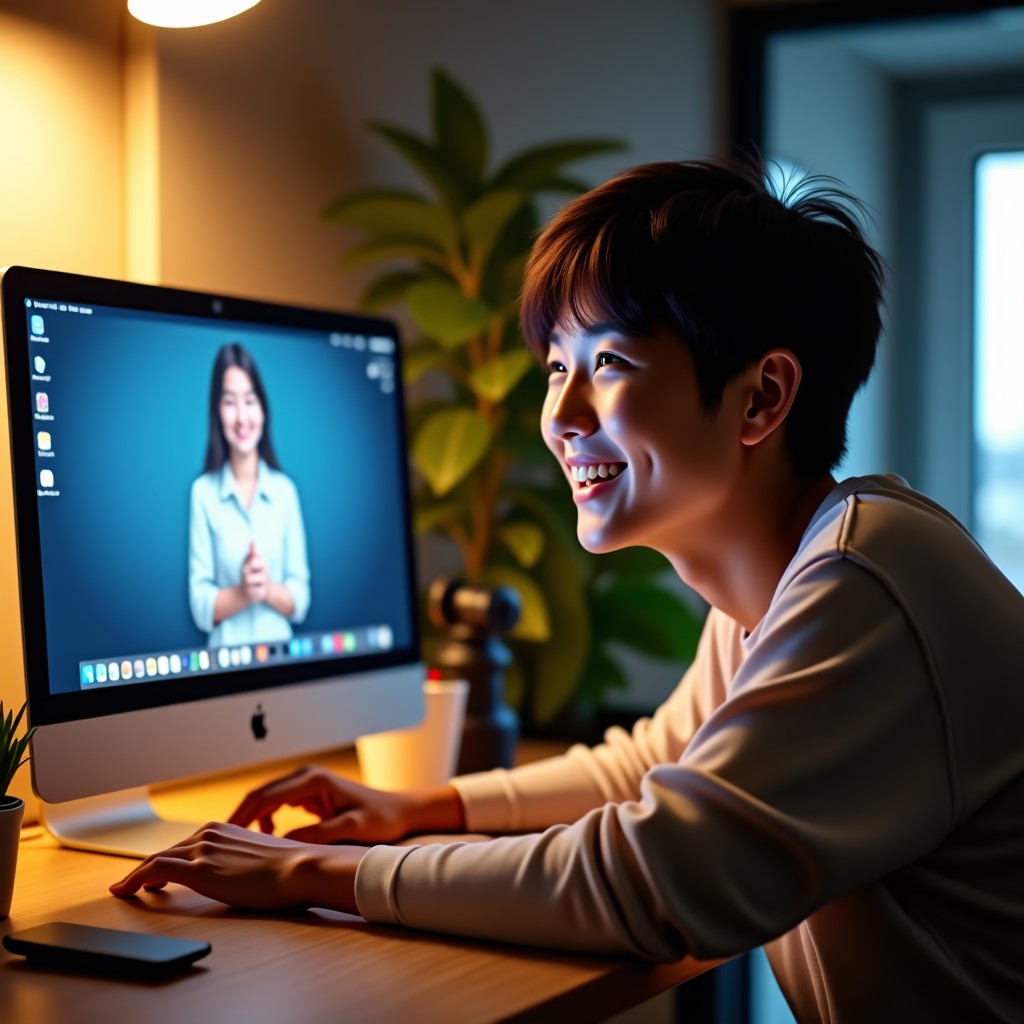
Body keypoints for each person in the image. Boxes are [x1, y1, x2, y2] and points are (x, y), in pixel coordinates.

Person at [113, 160, 1024, 1022]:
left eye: (610, 364)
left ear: (761, 399)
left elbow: (657, 878)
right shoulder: (784, 586)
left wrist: (313, 876)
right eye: (557, 365)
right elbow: (653, 765)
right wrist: (422, 808)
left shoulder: (868, 577)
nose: (560, 415)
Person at [188, 342, 310, 646]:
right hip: (224, 672)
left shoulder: (285, 492)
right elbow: (200, 606)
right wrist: (243, 592)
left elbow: (301, 601)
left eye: (250, 400)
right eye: (229, 402)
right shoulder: (202, 493)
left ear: (263, 408)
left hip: (280, 669)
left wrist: (266, 589)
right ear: (217, 410)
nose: (242, 417)